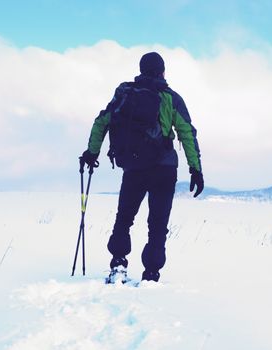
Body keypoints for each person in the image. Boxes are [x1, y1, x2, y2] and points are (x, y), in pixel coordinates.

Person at [80, 52, 204, 283]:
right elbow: (187, 132)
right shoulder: (171, 98)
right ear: (162, 71)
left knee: (124, 218)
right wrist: (195, 169)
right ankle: (151, 274)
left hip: (134, 166)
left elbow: (101, 122)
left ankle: (118, 263)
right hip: (164, 169)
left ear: (141, 69)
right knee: (157, 224)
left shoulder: (125, 95)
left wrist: (92, 153)